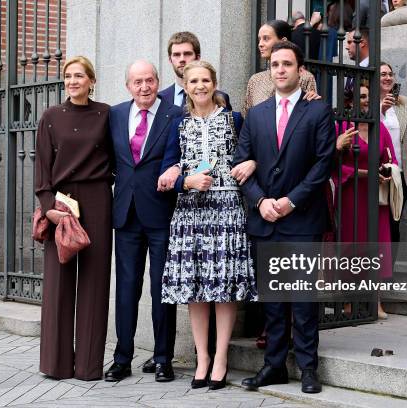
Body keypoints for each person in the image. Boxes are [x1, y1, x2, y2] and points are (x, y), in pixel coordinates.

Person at [235, 41, 335, 394]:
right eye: (275, 64)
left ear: (300, 70)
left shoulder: (318, 112)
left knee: (304, 301)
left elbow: (324, 164)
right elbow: (241, 163)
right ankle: (274, 366)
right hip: (265, 218)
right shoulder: (257, 114)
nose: (280, 69)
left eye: (287, 64)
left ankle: (308, 368)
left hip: (302, 217)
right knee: (273, 302)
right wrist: (260, 201)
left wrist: (291, 201)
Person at [160, 60, 258, 391]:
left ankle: (220, 358)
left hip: (227, 209)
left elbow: (251, 154)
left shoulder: (234, 119)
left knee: (223, 287)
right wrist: (185, 180)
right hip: (190, 212)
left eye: (205, 80)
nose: (200, 86)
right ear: (185, 86)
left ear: (214, 83)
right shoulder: (177, 122)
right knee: (196, 288)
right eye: (194, 81)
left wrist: (252, 161)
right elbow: (167, 168)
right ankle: (202, 357)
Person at [35, 56, 113, 380]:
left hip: (97, 200)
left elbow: (119, 156)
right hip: (61, 205)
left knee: (95, 282)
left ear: (91, 80)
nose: (73, 81)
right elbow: (41, 166)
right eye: (68, 76)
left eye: (79, 75)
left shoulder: (107, 114)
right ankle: (56, 364)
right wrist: (48, 205)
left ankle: (89, 366)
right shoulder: (51, 117)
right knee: (58, 284)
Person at [104, 60, 182, 383]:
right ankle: (122, 357)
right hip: (125, 215)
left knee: (162, 289)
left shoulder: (175, 115)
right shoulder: (116, 115)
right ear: (128, 86)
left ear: (158, 81)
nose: (144, 87)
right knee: (126, 290)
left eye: (149, 80)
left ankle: (164, 358)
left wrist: (177, 169)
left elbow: (184, 155)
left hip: (162, 213)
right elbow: (108, 160)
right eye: (137, 82)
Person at [333, 80, 398, 318]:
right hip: (351, 195)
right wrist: (363, 173)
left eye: (368, 96)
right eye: (360, 96)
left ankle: (376, 301)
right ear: (350, 101)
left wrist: (386, 172)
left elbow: (391, 159)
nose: (365, 100)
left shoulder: (379, 128)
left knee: (378, 245)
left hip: (376, 197)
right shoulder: (342, 128)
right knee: (352, 246)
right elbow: (334, 164)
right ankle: (350, 302)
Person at [379, 61, 407, 263]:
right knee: (377, 222)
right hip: (376, 173)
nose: (388, 78)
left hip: (400, 174)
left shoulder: (404, 103)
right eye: (382, 74)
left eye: (390, 74)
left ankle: (388, 271)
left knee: (393, 222)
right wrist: (380, 109)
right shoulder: (366, 102)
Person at [243, 20, 317, 116]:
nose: (260, 44)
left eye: (266, 39)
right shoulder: (255, 80)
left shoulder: (304, 77)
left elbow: (310, 114)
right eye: (259, 39)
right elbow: (246, 116)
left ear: (283, 41)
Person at [159, 31, 232, 110]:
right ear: (170, 59)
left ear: (197, 58)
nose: (182, 59)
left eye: (187, 54)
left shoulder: (221, 97)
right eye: (176, 55)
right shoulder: (159, 99)